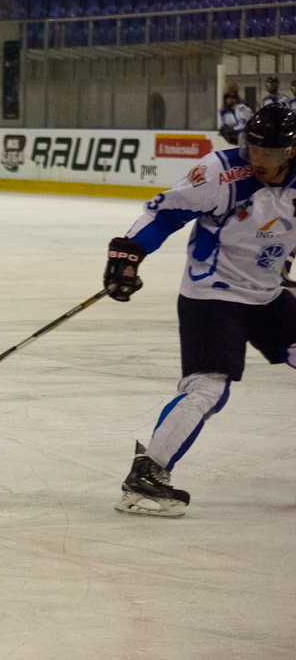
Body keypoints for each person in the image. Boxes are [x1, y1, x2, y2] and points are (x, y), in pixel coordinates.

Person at [105, 103, 296, 519]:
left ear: (291, 152)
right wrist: (130, 253)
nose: (256, 158)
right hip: (213, 294)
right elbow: (166, 212)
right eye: (252, 148)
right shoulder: (223, 173)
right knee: (209, 387)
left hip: (267, 294)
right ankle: (148, 474)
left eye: (268, 152)